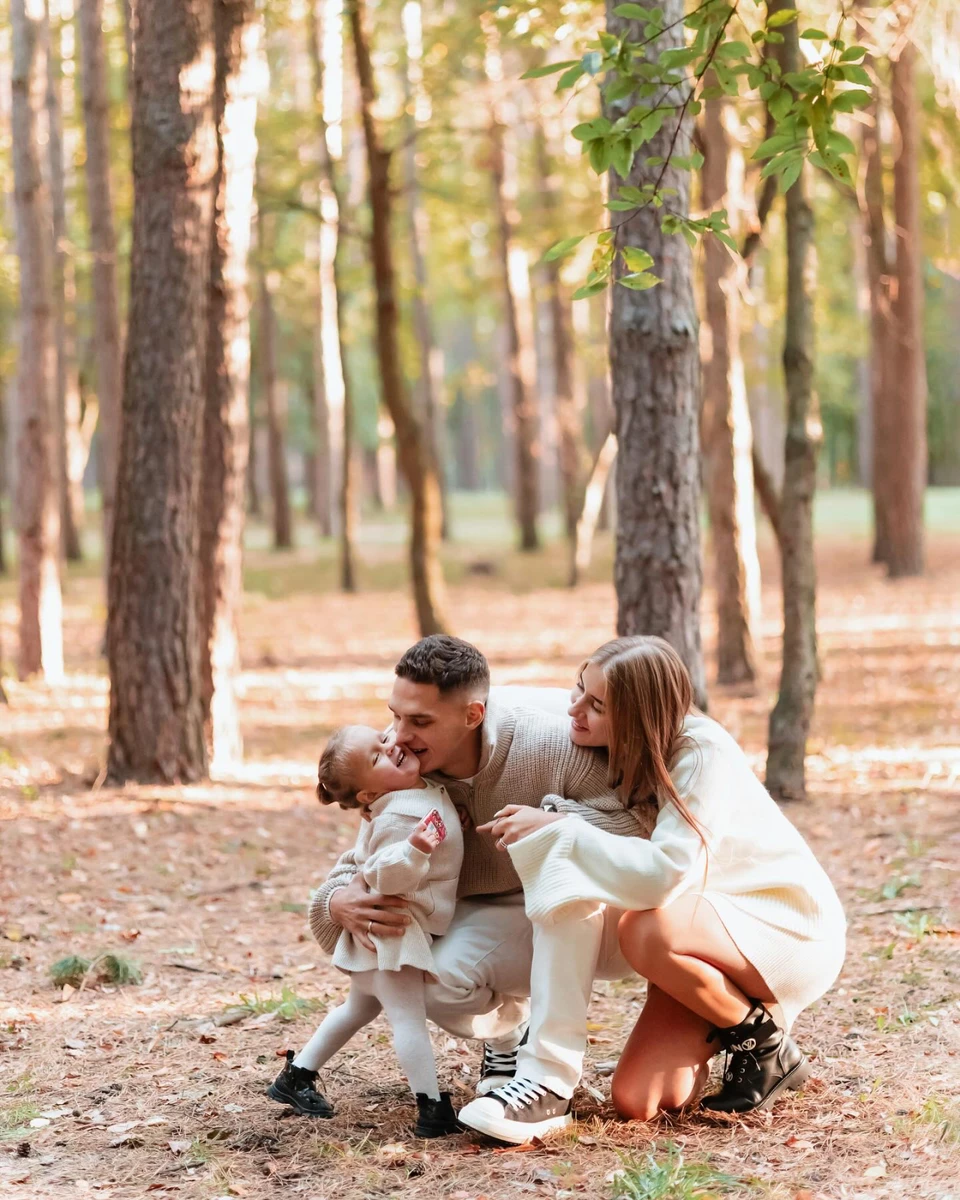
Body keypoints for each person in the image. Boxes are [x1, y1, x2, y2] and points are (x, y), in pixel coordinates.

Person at [459, 636, 846, 1142]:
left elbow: (664, 877)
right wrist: (394, 747)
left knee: (647, 930)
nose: (574, 708)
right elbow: (490, 703)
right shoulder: (588, 712)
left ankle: (761, 1040)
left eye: (597, 705)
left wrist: (563, 828)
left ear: (640, 717)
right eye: (579, 687)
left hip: (783, 928)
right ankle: (753, 1029)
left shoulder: (700, 755)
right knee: (638, 1100)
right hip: (705, 932)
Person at [307, 637, 641, 1113]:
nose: (398, 735)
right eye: (396, 714)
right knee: (428, 981)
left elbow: (636, 822)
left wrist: (553, 818)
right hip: (478, 913)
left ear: (472, 715)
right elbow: (365, 855)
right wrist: (336, 902)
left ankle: (546, 1072)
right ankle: (507, 1035)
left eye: (419, 721)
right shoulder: (398, 765)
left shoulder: (548, 747)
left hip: (563, 913)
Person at [269, 724, 464, 1137]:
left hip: (384, 936)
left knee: (358, 1009)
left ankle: (296, 1076)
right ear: (367, 796)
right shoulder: (397, 817)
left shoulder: (405, 794)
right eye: (377, 757)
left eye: (383, 737)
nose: (391, 746)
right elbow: (382, 874)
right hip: (390, 936)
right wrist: (415, 851)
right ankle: (432, 1108)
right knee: (408, 1020)